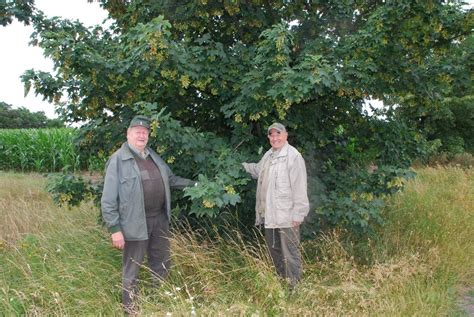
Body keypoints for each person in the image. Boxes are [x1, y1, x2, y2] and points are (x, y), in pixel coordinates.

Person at [101, 115, 195, 314]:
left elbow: (171, 179)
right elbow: (108, 199)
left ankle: (159, 303)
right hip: (134, 224)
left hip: (159, 220)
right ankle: (131, 310)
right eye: (137, 131)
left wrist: (196, 186)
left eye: (145, 132)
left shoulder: (153, 156)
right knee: (132, 269)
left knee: (161, 263)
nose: (141, 135)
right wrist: (115, 229)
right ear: (128, 134)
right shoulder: (118, 160)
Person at [242, 122, 309, 289]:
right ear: (268, 138)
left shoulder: (293, 156)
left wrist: (298, 214)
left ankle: (294, 288)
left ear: (285, 136)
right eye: (271, 135)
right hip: (269, 215)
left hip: (287, 217)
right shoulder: (269, 155)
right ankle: (282, 283)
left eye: (278, 134)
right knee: (275, 253)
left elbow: (300, 186)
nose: (275, 138)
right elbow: (257, 170)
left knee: (290, 255)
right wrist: (240, 167)